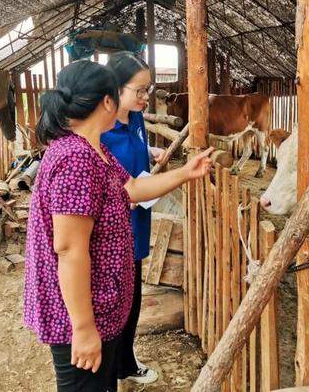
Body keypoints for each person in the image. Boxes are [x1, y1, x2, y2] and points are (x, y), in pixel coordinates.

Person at [23, 60, 213, 392]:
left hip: (101, 308)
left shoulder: (92, 149)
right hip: (82, 317)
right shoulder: (76, 160)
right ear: (108, 101)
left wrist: (186, 172)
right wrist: (82, 329)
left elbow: (132, 190)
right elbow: (69, 250)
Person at [100, 51, 163, 385]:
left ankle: (126, 363)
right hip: (113, 232)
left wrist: (151, 153)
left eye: (147, 89)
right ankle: (108, 373)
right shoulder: (100, 134)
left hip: (137, 222)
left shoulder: (136, 119)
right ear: (115, 89)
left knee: (133, 299)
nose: (144, 97)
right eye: (138, 90)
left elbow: (136, 154)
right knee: (114, 306)